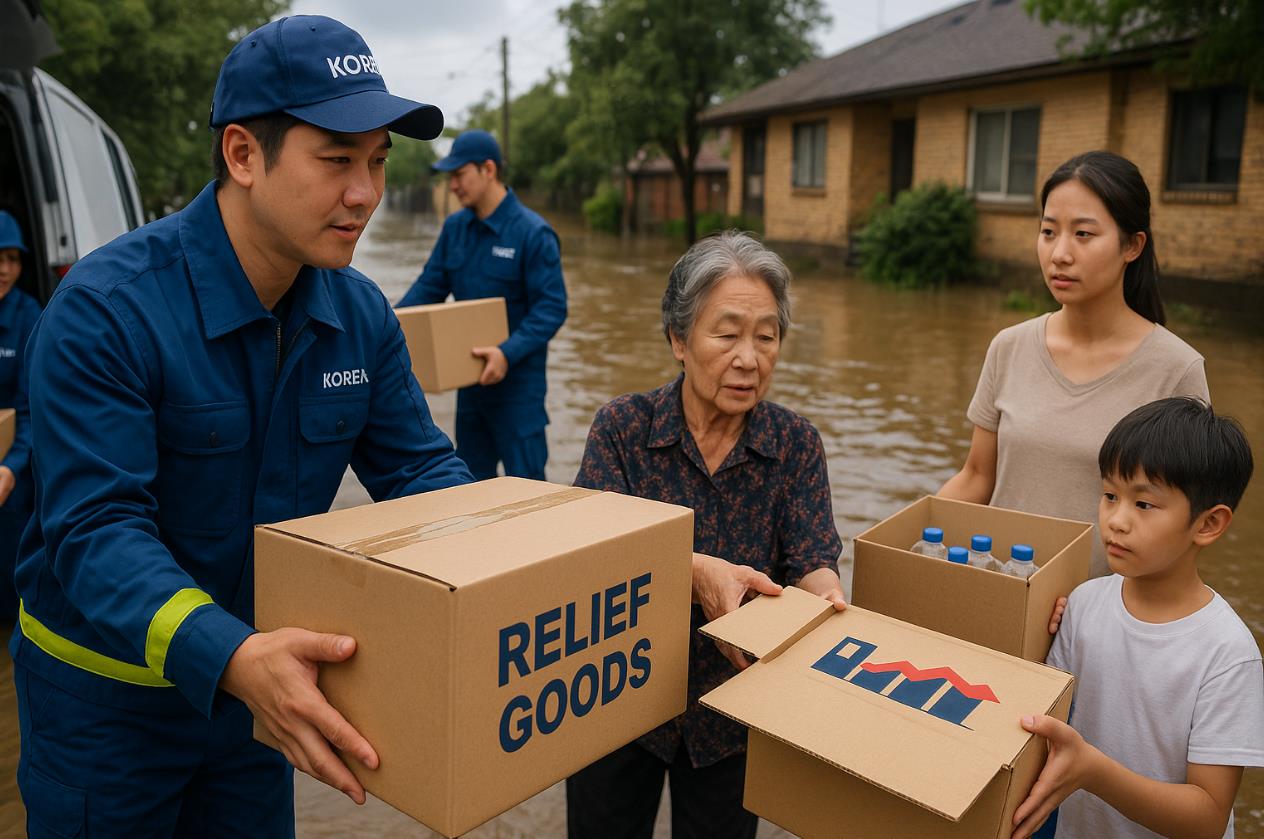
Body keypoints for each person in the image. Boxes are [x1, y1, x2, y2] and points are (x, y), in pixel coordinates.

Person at [11, 16, 473, 837]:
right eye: (336, 160)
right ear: (242, 155)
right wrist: (229, 655)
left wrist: (590, 555)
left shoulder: (362, 315)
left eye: (376, 161)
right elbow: (96, 532)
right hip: (106, 715)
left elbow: (423, 479)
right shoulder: (105, 312)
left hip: (262, 702)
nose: (364, 193)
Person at [565, 231, 847, 839]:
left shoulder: (796, 445)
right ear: (678, 340)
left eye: (767, 336)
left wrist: (828, 602)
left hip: (733, 717)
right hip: (616, 705)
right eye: (727, 334)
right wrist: (692, 573)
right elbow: (591, 554)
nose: (749, 358)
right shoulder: (622, 429)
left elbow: (813, 560)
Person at [940, 151, 1209, 578]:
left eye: (1083, 234)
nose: (1060, 253)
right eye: (1048, 232)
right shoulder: (1008, 347)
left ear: (1132, 245)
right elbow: (976, 476)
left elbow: (1179, 520)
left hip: (1100, 614)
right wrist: (909, 540)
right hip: (1000, 592)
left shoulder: (1176, 370)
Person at [1012, 397, 1263, 839]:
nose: (1117, 521)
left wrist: (1094, 772)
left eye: (1143, 505)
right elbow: (1043, 717)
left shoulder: (1228, 654)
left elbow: (1208, 817)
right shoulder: (1085, 603)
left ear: (1208, 524)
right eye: (1110, 495)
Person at [397, 129, 567, 481]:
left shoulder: (533, 233)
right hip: (470, 384)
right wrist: (387, 324)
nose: (453, 186)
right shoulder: (455, 228)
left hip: (518, 392)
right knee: (470, 490)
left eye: (459, 175)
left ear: (488, 170)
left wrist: (506, 352)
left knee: (531, 495)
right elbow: (429, 286)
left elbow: (551, 307)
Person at [0, 210, 39, 621]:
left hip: (11, 475)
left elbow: (31, 411)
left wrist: (10, 468)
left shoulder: (29, 317)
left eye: (12, 259)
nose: (4, 270)